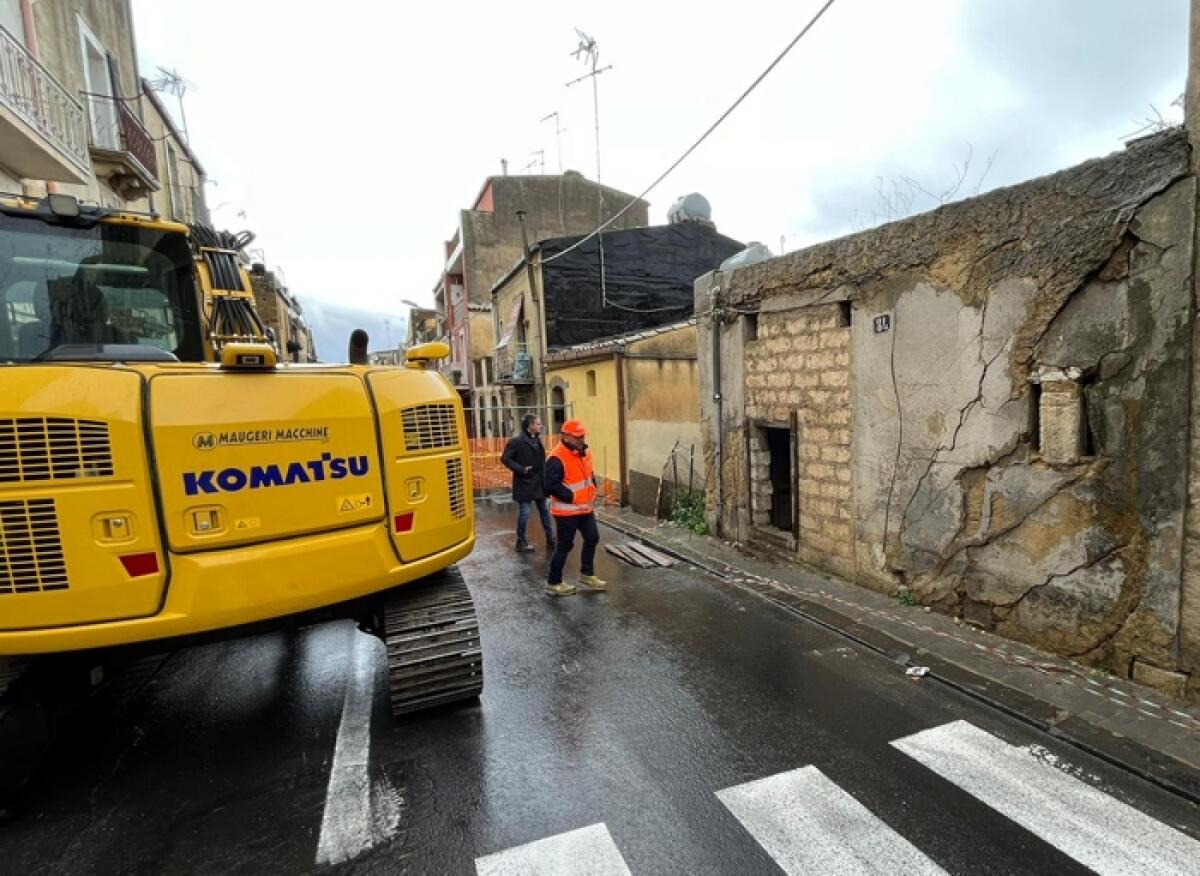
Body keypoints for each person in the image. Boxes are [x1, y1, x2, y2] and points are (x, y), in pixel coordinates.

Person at [544, 419, 607, 597]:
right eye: (578, 436)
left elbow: (589, 474)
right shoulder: (556, 458)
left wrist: (592, 488)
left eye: (582, 436)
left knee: (592, 538)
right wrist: (573, 497)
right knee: (565, 545)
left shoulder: (584, 453)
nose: (581, 439)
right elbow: (550, 486)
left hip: (585, 509)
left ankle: (587, 575)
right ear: (566, 436)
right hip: (566, 511)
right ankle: (553, 582)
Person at [501, 413, 556, 553]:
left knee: (544, 511)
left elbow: (542, 463)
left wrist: (547, 480)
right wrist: (521, 469)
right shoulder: (516, 442)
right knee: (525, 512)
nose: (540, 425)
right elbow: (505, 459)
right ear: (530, 426)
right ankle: (521, 541)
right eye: (538, 423)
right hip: (524, 482)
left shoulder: (537, 441)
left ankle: (551, 539)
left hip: (539, 483)